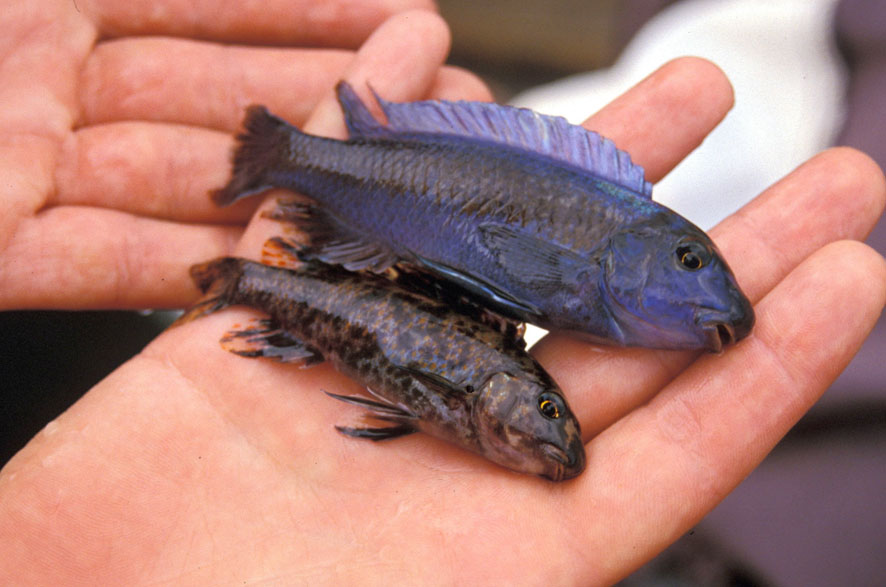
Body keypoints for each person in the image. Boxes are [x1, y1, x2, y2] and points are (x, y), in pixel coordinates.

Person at [0, 1, 884, 584]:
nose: (703, 287)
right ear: (648, 251)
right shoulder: (606, 251)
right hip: (375, 197)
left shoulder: (614, 274)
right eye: (689, 261)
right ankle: (281, 161)